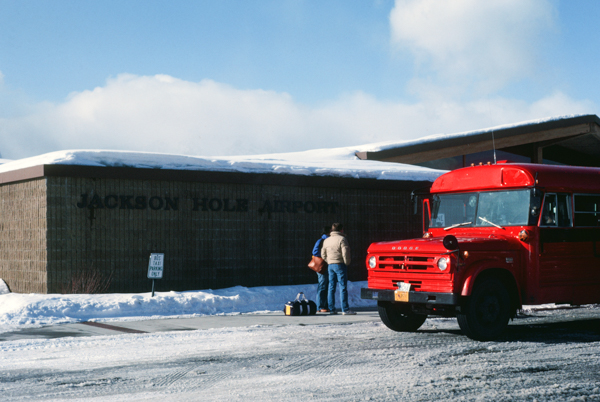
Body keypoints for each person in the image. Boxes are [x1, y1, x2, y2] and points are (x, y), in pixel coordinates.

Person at [321, 223, 355, 315]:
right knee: (342, 286)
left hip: (330, 265)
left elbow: (323, 254)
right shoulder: (342, 239)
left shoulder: (327, 240)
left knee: (331, 287)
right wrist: (347, 262)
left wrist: (328, 260)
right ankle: (345, 309)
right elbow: (345, 253)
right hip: (340, 264)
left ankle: (332, 309)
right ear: (341, 230)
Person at [311, 226, 331, 313]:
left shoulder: (321, 240)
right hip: (322, 265)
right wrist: (324, 256)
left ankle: (323, 306)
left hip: (324, 265)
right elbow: (315, 252)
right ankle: (320, 306)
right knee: (323, 285)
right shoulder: (323, 241)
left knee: (324, 285)